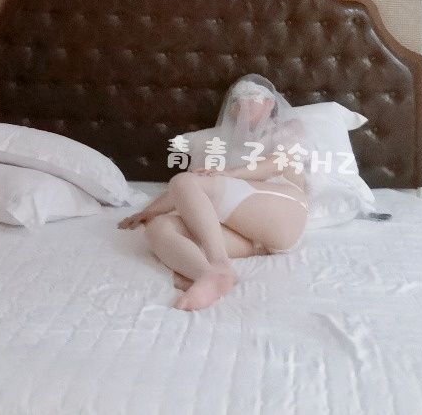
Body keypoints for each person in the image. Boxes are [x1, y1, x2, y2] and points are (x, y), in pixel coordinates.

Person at [118, 75, 311, 311]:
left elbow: (278, 163)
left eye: (252, 98)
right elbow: (189, 193)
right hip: (251, 239)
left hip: (286, 213)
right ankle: (207, 275)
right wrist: (148, 212)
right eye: (237, 100)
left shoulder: (287, 127)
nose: (243, 104)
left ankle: (219, 264)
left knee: (184, 180)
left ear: (270, 104)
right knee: (158, 227)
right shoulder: (225, 144)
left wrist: (231, 174)